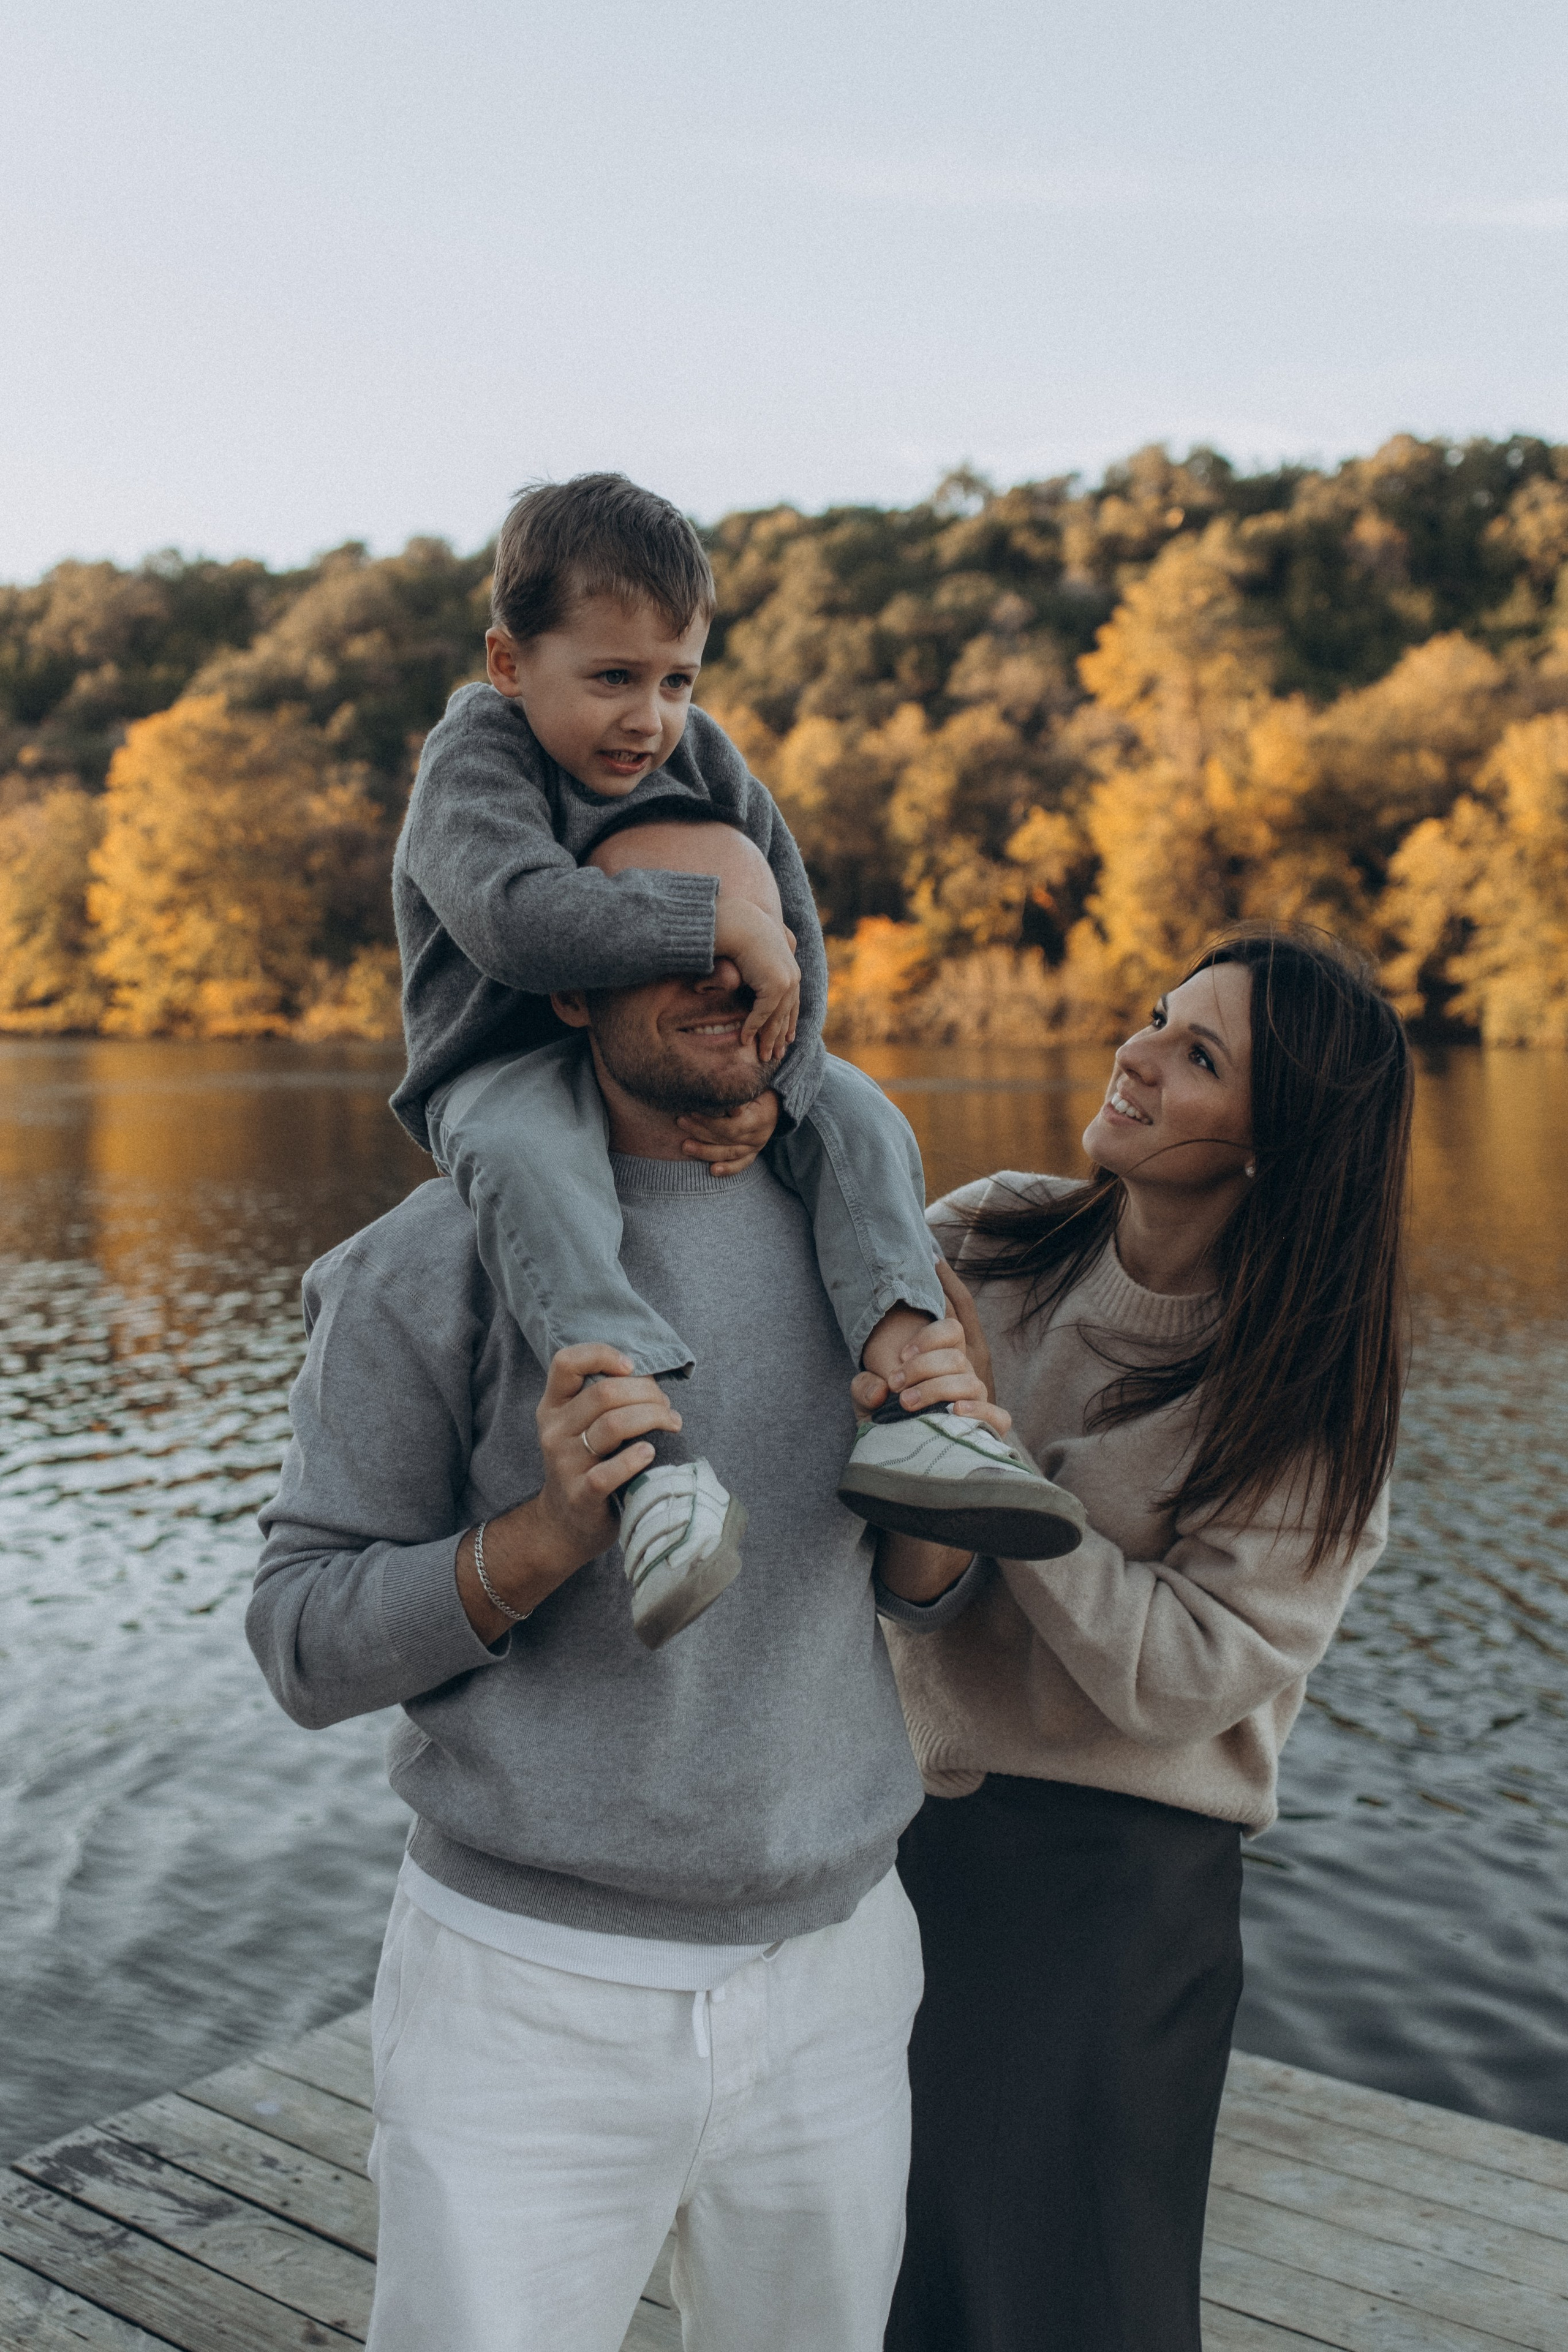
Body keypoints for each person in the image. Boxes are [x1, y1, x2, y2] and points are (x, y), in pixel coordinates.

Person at [249, 816, 1017, 2352]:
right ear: (568, 988)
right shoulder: (428, 1262)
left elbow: (919, 1602)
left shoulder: (872, 1254)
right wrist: (540, 1539)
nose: (727, 969)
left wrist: (954, 1466)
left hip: (839, 1977)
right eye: (672, 937)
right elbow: (302, 1642)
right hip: (527, 1999)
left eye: (751, 932)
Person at [391, 472, 1074, 1643]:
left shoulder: (701, 755)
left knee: (861, 1117)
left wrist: (783, 1076)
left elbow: (792, 925)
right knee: (523, 1156)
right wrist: (706, 924)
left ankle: (914, 1389)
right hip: (499, 1064)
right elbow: (512, 917)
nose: (645, 719)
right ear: (510, 663)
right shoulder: (478, 761)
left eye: (675, 680)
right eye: (610, 678)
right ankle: (651, 1462)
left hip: (674, 1057)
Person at [875, 927, 1413, 2352]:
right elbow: (872, 1529)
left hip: (1108, 1900)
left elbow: (1181, 1675)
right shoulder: (978, 1239)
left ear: (1270, 1141)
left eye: (1198, 1056)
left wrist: (998, 1471)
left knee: (1065, 2305)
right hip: (886, 1840)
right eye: (1156, 1020)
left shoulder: (1304, 1396)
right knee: (886, 2276)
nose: (1137, 1054)